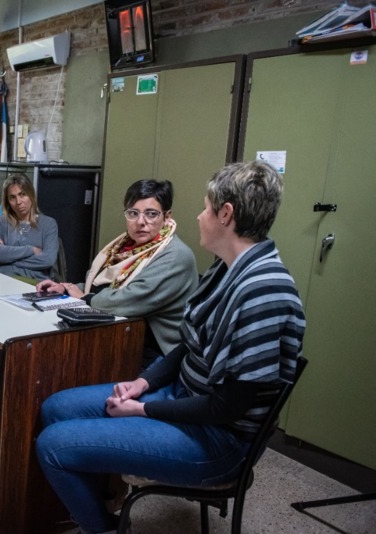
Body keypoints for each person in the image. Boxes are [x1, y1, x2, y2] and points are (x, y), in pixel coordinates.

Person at [35, 161, 306, 533]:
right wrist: (142, 383)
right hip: (184, 396)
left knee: (52, 445)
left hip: (218, 440)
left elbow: (228, 407)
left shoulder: (263, 291)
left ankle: (104, 529)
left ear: (226, 215)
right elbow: (187, 344)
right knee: (55, 408)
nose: (200, 216)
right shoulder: (228, 267)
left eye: (207, 208)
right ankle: (95, 508)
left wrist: (142, 410)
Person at [37, 179, 198, 367]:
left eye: (151, 214)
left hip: (157, 355)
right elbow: (101, 285)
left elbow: (130, 299)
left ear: (167, 216)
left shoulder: (176, 255)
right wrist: (66, 289)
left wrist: (85, 298)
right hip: (121, 333)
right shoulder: (124, 245)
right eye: (133, 213)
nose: (141, 222)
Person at [0, 173, 59, 282]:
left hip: (34, 283)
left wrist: (5, 258)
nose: (18, 202)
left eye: (22, 194)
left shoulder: (49, 224)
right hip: (2, 280)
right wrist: (31, 250)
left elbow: (48, 260)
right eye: (12, 198)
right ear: (7, 202)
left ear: (31, 195)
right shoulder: (1, 221)